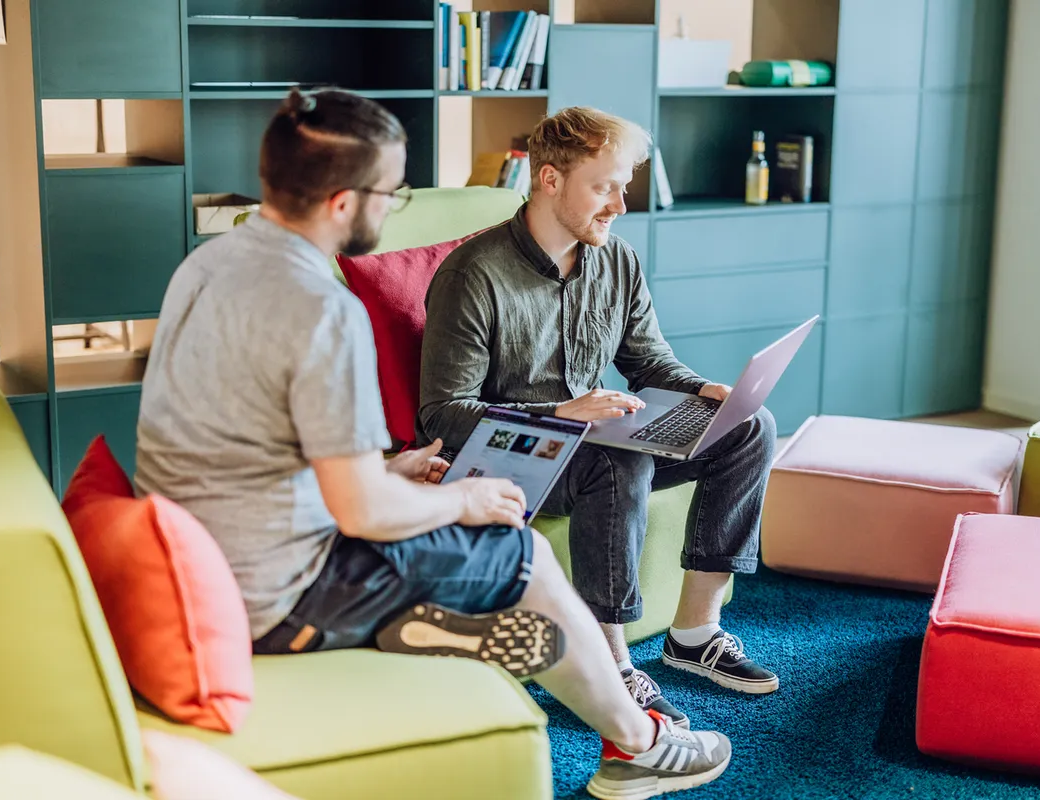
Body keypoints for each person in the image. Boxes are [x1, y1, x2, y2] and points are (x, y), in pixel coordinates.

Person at [134, 87, 731, 799]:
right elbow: (364, 515)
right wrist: (466, 497)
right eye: (392, 192)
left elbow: (252, 444)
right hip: (282, 593)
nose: (394, 208)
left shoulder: (207, 265)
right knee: (522, 549)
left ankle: (424, 620)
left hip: (224, 544)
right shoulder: (320, 309)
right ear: (344, 202)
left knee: (453, 507)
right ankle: (638, 745)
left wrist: (389, 465)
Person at [418, 106, 780, 728]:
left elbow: (648, 360)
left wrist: (704, 392)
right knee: (617, 460)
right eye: (603, 186)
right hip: (514, 458)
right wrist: (558, 411)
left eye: (624, 185)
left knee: (750, 427)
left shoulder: (618, 260)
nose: (618, 203)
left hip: (599, 435)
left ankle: (694, 636)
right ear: (550, 180)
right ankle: (611, 665)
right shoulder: (472, 275)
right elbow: (442, 413)